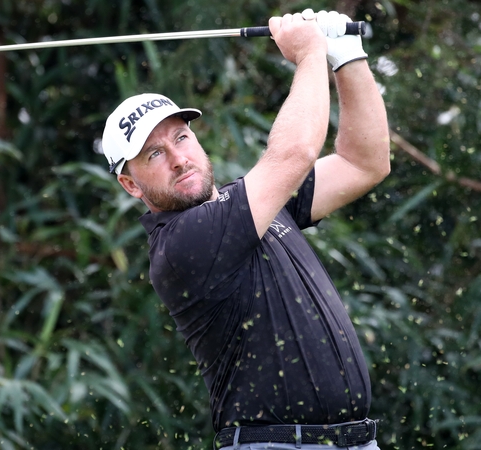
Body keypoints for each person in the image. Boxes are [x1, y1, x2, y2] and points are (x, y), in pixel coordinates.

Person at [101, 8, 390, 450]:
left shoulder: (258, 203)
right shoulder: (182, 243)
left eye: (181, 138)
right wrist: (310, 53)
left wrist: (347, 57)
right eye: (153, 155)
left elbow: (364, 163)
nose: (178, 159)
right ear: (130, 185)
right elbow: (294, 153)